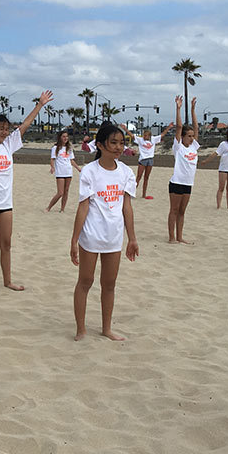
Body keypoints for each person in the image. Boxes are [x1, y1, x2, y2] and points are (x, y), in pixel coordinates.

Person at [0, 78, 53, 290]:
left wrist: (40, 105)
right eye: (1, 128)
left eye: (7, 128)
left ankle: (7, 281)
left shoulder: (9, 145)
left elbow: (25, 125)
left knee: (6, 245)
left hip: (5, 204)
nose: (5, 132)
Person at [70, 122, 138, 341]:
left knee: (109, 284)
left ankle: (106, 328)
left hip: (114, 236)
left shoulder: (126, 172)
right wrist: (74, 239)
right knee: (85, 281)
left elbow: (127, 206)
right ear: (100, 145)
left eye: (121, 143)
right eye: (113, 143)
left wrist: (132, 238)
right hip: (91, 235)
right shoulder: (90, 171)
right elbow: (84, 206)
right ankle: (81, 329)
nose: (118, 148)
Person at [168, 96, 199, 244]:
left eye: (193, 136)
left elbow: (196, 126)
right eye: (189, 136)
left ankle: (180, 237)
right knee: (174, 210)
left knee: (182, 212)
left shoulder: (194, 146)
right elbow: (179, 127)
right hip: (176, 183)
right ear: (183, 137)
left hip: (188, 183)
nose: (192, 138)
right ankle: (171, 237)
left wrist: (193, 109)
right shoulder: (178, 147)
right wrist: (178, 108)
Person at [122, 123, 173, 200]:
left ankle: (144, 194)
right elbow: (132, 135)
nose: (144, 137)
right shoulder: (140, 140)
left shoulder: (153, 139)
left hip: (150, 160)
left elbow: (162, 135)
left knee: (146, 177)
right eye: (144, 135)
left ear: (149, 136)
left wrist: (169, 127)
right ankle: (132, 193)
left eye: (146, 135)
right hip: (143, 160)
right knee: (138, 177)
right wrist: (125, 129)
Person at [199, 127, 228, 209]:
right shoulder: (223, 144)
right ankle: (219, 206)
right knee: (221, 188)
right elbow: (215, 153)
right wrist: (206, 161)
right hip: (223, 169)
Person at [45, 130, 81, 212]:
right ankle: (49, 208)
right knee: (60, 192)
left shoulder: (69, 148)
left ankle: (62, 209)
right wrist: (52, 167)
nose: (65, 138)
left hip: (68, 171)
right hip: (60, 172)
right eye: (63, 136)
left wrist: (78, 168)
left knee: (66, 191)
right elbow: (52, 159)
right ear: (60, 138)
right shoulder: (55, 148)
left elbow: (71, 160)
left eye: (67, 136)